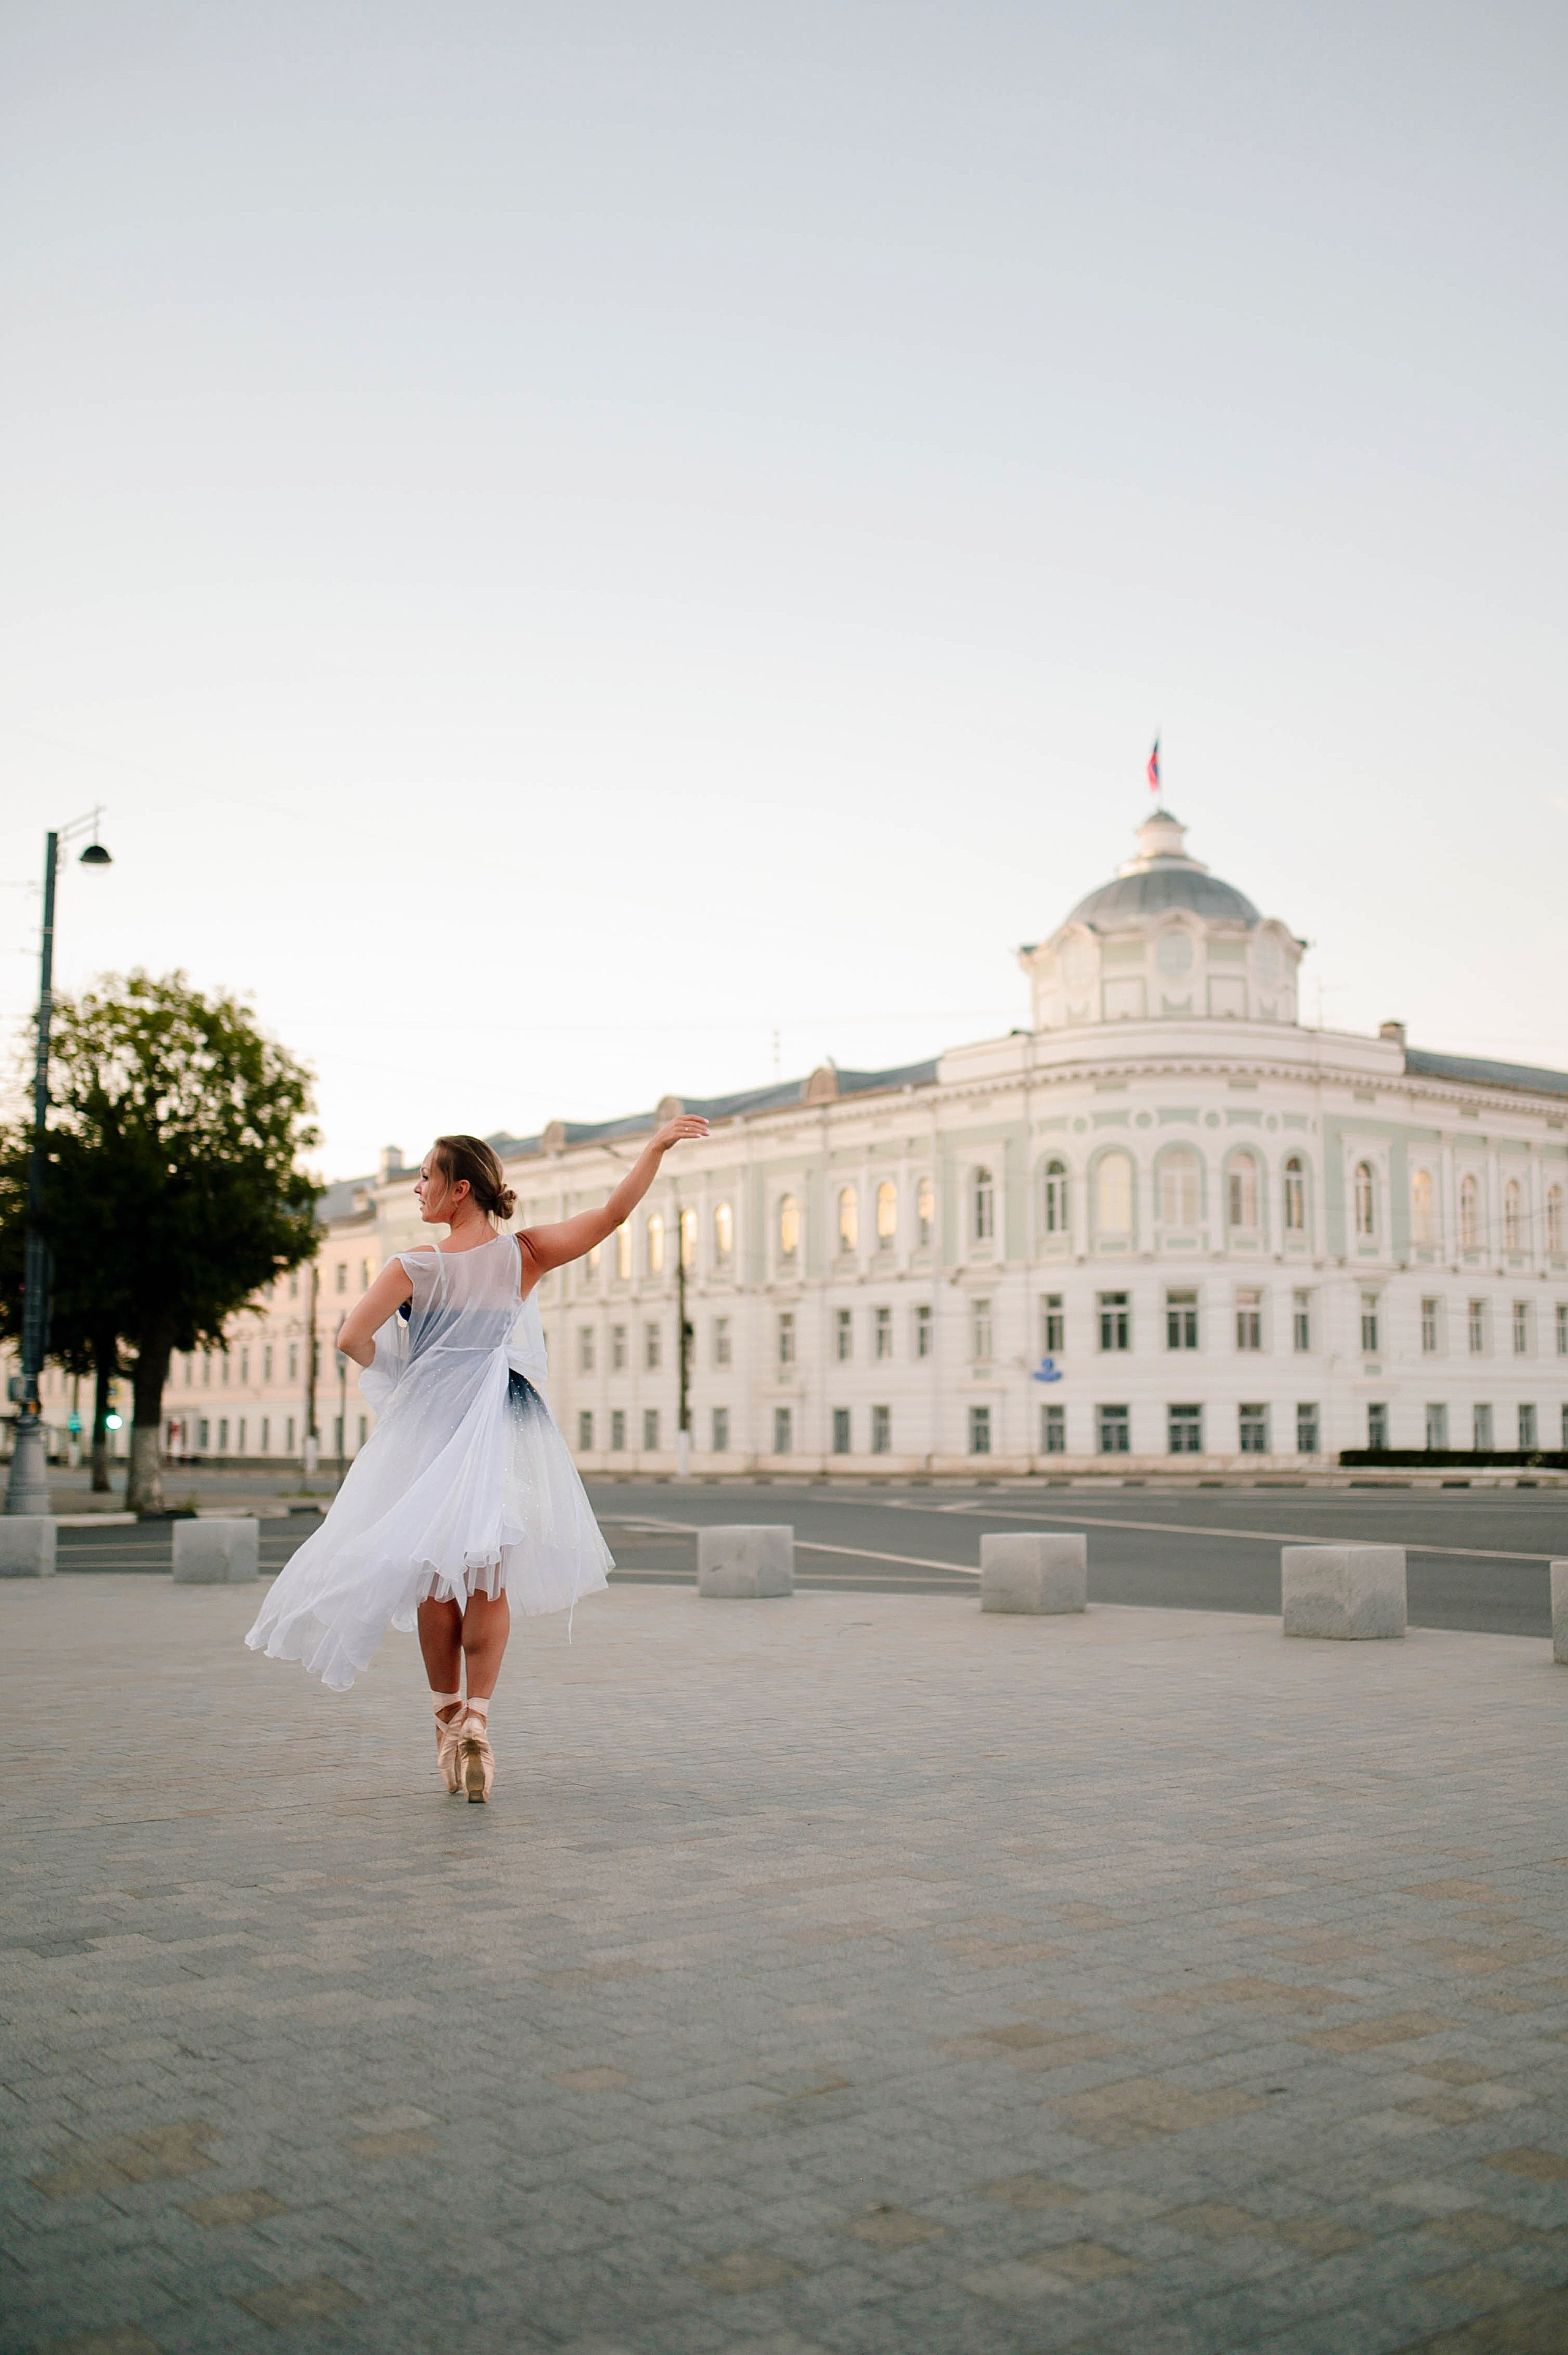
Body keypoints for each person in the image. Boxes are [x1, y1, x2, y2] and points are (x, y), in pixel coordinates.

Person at [245, 1116, 708, 1800]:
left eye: (425, 1177)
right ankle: (479, 1724)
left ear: (459, 1189)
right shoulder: (525, 1253)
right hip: (500, 1423)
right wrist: (654, 1148)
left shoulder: (413, 1267)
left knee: (437, 1578)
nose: (417, 1189)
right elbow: (612, 1215)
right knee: (490, 1577)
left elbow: (350, 1339)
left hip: (433, 1426)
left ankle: (445, 1717)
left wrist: (405, 1372)